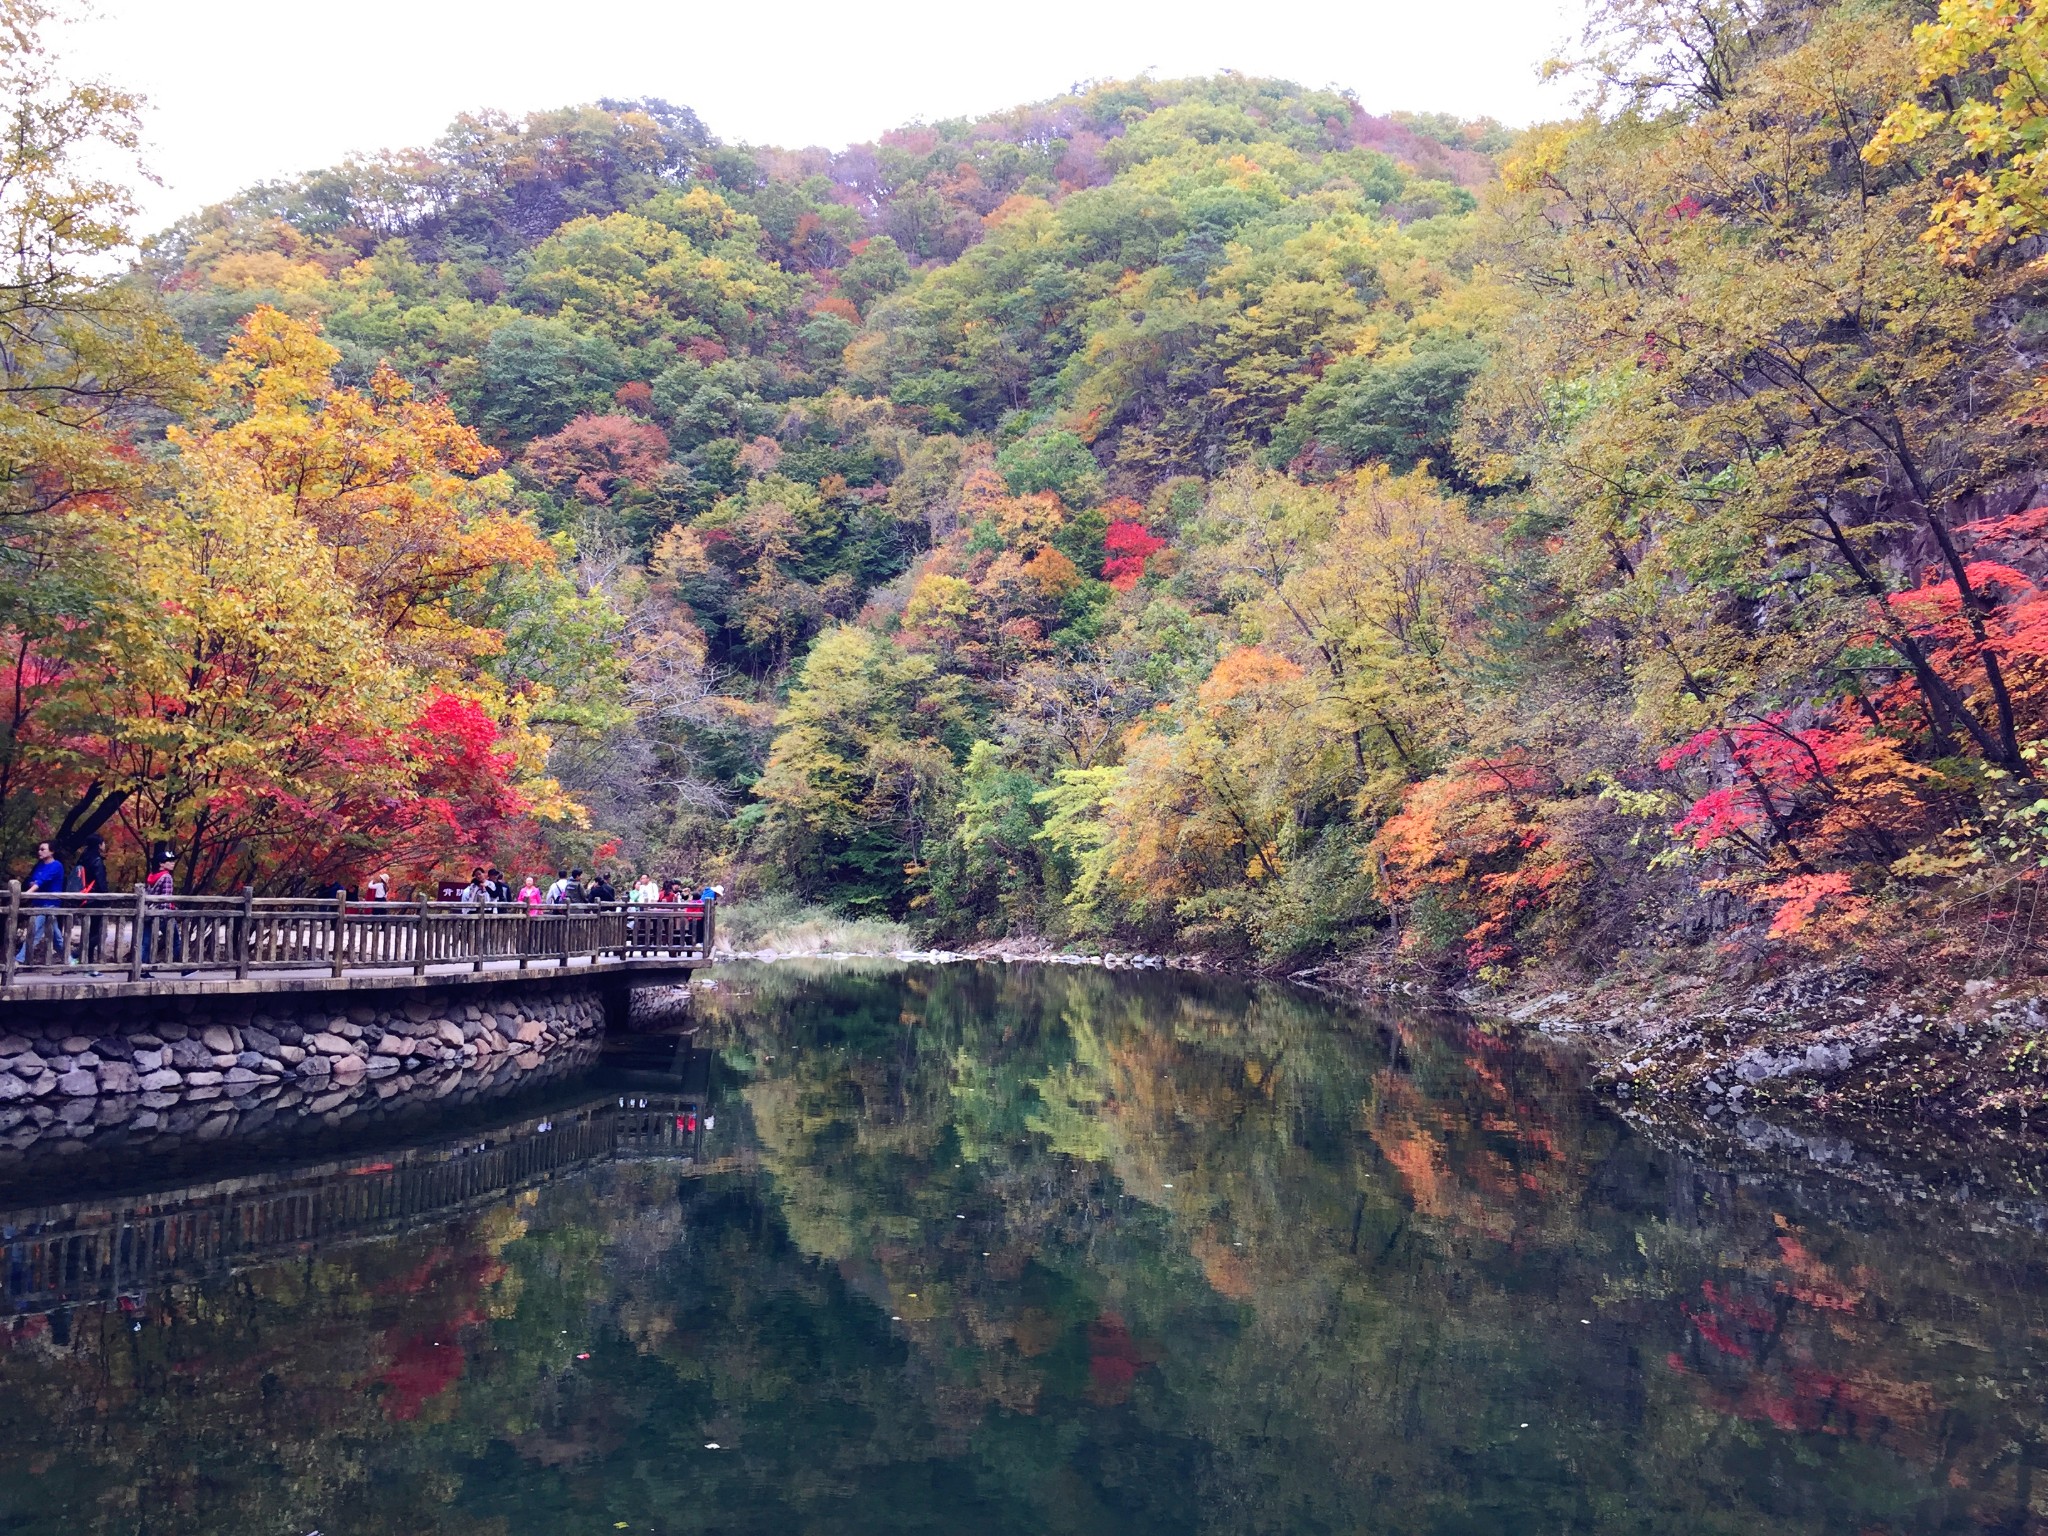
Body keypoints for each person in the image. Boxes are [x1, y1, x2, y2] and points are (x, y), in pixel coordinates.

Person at [15, 840, 66, 965]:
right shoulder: (40, 865)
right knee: (56, 936)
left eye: (43, 849)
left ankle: (19, 960)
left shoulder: (56, 865)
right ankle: (68, 960)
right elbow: (32, 881)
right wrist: (33, 886)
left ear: (52, 851)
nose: (40, 851)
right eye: (39, 849)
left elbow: (41, 881)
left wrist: (27, 893)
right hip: (39, 902)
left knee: (34, 931)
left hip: (50, 904)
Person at [140, 850, 179, 967]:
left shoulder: (152, 876)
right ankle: (183, 968)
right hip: (162, 914)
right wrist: (167, 914)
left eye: (173, 861)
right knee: (175, 941)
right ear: (161, 864)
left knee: (145, 943)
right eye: (169, 861)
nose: (172, 863)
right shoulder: (166, 877)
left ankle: (141, 968)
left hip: (149, 912)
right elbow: (166, 898)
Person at [75, 832, 108, 966]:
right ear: (99, 845)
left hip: (83, 898)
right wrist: (107, 899)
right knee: (97, 933)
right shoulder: (96, 861)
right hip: (95, 900)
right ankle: (79, 956)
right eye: (103, 842)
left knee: (87, 931)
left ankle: (85, 962)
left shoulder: (82, 859)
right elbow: (101, 882)